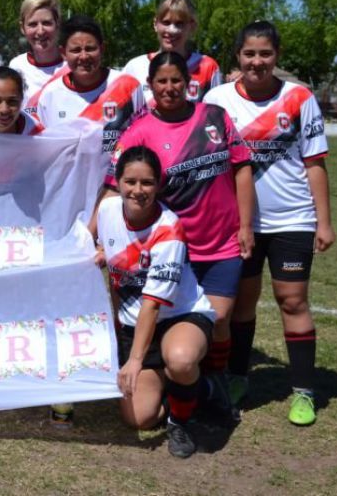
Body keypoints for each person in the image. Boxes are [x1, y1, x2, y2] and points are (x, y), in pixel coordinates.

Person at [106, 51, 255, 422]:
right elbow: (115, 187)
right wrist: (94, 237)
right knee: (177, 324)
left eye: (177, 80)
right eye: (162, 81)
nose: (170, 87)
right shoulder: (139, 131)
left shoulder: (213, 117)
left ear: (189, 83)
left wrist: (246, 225)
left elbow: (241, 168)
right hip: (176, 247)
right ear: (151, 85)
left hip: (221, 243)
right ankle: (184, 385)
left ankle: (211, 383)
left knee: (218, 321)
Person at [203, 21, 335, 425]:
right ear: (237, 57)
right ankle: (238, 377)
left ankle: (303, 392)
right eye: (249, 54)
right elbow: (209, 163)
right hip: (238, 223)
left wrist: (324, 223)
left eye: (265, 54)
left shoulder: (299, 97)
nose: (257, 62)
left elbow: (314, 163)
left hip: (292, 219)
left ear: (276, 55)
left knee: (292, 300)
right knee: (240, 305)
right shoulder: (218, 99)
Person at [99, 145, 216, 458]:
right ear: (118, 182)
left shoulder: (169, 229)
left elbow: (152, 305)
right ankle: (185, 386)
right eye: (130, 182)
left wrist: (135, 360)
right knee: (138, 418)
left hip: (178, 317)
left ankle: (184, 416)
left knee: (180, 358)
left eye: (147, 183)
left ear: (159, 184)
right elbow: (113, 273)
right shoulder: (107, 211)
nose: (138, 190)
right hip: (134, 325)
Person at [35, 15, 146, 153]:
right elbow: (46, 151)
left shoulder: (128, 87)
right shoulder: (49, 95)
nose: (84, 56)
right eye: (75, 50)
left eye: (90, 48)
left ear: (102, 48)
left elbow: (144, 139)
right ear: (63, 53)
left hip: (116, 175)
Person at [123, 0, 222, 106]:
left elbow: (215, 113)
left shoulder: (207, 66)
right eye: (166, 22)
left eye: (179, 24)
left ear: (192, 26)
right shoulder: (135, 67)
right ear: (155, 24)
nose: (172, 30)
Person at [8, 0, 69, 114]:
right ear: (22, 28)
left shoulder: (71, 65)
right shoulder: (16, 66)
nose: (40, 31)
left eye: (46, 23)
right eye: (32, 24)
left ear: (57, 24)